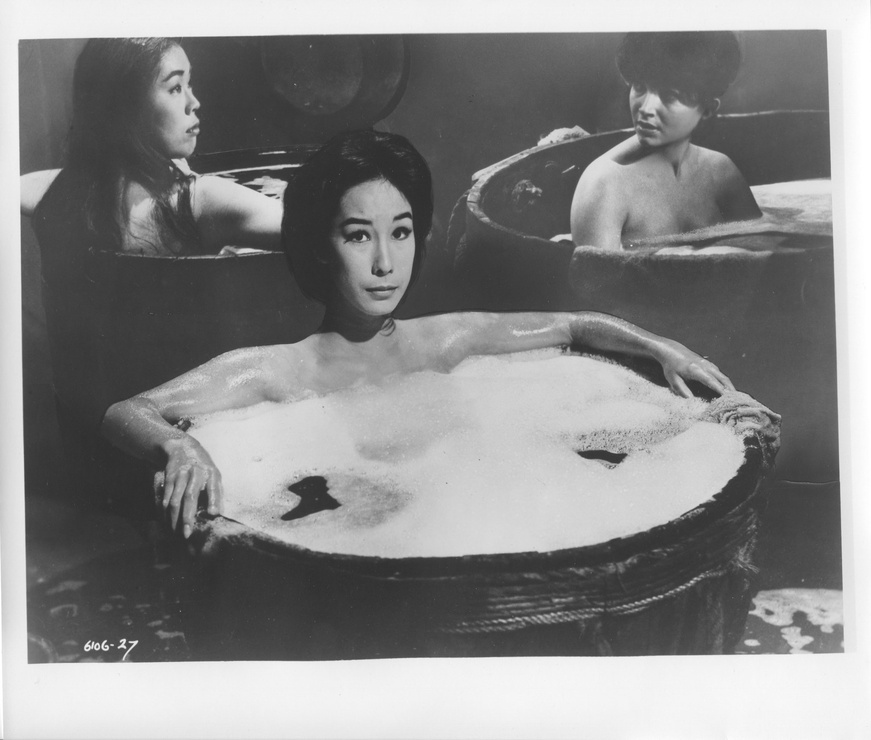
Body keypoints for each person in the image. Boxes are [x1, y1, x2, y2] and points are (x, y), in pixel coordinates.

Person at [101, 130, 735, 539]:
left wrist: (661, 347)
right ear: (319, 246)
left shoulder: (446, 341)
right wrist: (179, 448)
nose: (385, 262)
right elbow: (128, 410)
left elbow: (574, 325)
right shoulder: (278, 370)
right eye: (358, 235)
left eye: (400, 232)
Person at [23, 37, 281, 260]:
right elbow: (302, 229)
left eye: (189, 84)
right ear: (128, 110)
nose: (194, 102)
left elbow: (22, 186)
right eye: (176, 88)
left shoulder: (65, 193)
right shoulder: (203, 199)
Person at [569, 31, 762, 250]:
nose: (646, 109)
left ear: (708, 109)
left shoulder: (722, 172)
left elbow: (762, 253)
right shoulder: (604, 184)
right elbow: (596, 271)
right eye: (639, 87)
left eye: (670, 96)